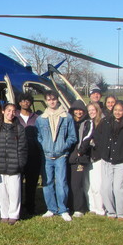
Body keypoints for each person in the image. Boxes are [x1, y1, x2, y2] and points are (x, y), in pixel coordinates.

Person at [36, 92, 77, 221]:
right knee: (47, 183)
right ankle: (51, 208)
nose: (52, 102)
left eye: (54, 99)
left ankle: (63, 209)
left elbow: (72, 136)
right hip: (47, 156)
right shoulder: (41, 118)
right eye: (49, 100)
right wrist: (44, 146)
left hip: (61, 155)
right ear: (46, 101)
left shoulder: (67, 117)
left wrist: (63, 146)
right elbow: (38, 136)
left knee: (61, 182)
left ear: (57, 100)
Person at [98, 100, 123, 219]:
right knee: (105, 188)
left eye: (120, 110)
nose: (117, 112)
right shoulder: (105, 122)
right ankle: (111, 212)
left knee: (119, 190)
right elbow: (98, 136)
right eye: (115, 110)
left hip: (122, 162)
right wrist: (103, 151)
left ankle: (122, 214)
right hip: (107, 161)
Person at [0, 104, 27, 224]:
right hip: (0, 164)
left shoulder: (19, 128)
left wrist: (20, 163)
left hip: (15, 165)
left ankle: (14, 215)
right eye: (8, 110)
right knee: (2, 192)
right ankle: (4, 214)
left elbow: (23, 148)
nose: (11, 113)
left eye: (13, 111)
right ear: (3, 111)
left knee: (14, 192)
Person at [17, 93, 42, 218]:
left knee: (32, 184)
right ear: (19, 102)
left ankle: (31, 207)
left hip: (34, 155)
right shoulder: (15, 117)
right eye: (23, 101)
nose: (25, 103)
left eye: (28, 101)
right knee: (18, 184)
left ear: (31, 103)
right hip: (19, 156)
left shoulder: (37, 118)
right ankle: (19, 208)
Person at [67, 101, 91, 217]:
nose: (78, 112)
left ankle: (79, 208)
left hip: (79, 158)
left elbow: (87, 138)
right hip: (68, 156)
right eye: (76, 110)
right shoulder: (69, 122)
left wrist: (81, 152)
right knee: (68, 182)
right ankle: (69, 205)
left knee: (77, 184)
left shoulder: (87, 123)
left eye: (80, 110)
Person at [86, 102, 106, 216]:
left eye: (93, 110)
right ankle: (92, 207)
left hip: (99, 158)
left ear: (98, 110)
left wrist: (93, 142)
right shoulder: (90, 123)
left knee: (97, 185)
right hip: (91, 157)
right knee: (91, 186)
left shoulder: (102, 123)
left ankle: (100, 209)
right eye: (89, 111)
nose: (91, 112)